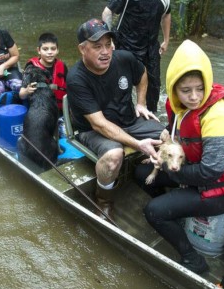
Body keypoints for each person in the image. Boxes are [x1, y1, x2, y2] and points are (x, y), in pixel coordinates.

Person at [134, 39, 224, 274]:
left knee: (153, 211)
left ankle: (193, 258)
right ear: (173, 89)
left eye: (200, 88)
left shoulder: (220, 115)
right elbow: (180, 132)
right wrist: (165, 136)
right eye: (185, 91)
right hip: (194, 173)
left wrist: (167, 168)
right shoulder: (179, 106)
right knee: (140, 172)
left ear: (208, 83)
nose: (194, 97)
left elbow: (211, 172)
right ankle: (178, 212)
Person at [66, 18, 165, 220]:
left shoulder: (124, 59)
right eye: (97, 47)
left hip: (128, 120)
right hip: (92, 130)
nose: (105, 52)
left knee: (167, 135)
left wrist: (141, 103)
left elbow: (143, 73)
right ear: (82, 49)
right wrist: (138, 144)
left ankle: (157, 182)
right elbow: (99, 124)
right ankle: (103, 202)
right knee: (114, 157)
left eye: (108, 45)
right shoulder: (76, 78)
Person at [102, 0, 171, 114]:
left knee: (154, 85)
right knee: (122, 84)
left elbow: (166, 14)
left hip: (150, 46)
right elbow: (107, 12)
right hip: (127, 45)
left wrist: (167, 40)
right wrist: (109, 40)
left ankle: (150, 116)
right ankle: (121, 116)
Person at [19, 32, 67, 113]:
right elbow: (21, 95)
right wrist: (27, 91)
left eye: (53, 49)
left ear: (57, 50)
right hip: (40, 111)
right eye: (45, 49)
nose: (49, 52)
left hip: (60, 110)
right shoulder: (31, 68)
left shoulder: (62, 66)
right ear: (38, 50)